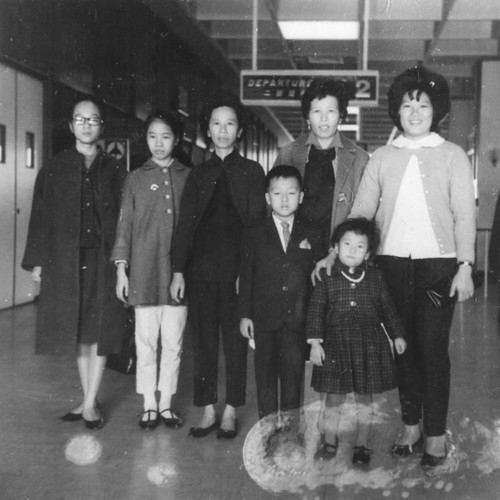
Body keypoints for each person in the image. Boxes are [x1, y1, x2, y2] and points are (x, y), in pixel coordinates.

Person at [348, 66, 476, 468]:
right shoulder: (382, 157)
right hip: (391, 267)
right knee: (403, 350)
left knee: (433, 351)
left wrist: (466, 265)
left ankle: (435, 434)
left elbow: (463, 216)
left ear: (435, 110)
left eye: (423, 104)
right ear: (397, 111)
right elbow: (363, 208)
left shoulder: (453, 156)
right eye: (407, 105)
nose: (416, 111)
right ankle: (411, 426)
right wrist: (344, 249)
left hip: (439, 267)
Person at [22, 98, 129, 429]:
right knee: (79, 331)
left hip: (104, 259)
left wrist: (124, 264)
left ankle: (88, 403)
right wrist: (38, 262)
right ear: (70, 126)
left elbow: (125, 220)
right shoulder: (53, 169)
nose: (86, 125)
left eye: (93, 120)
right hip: (65, 259)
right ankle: (88, 400)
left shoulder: (114, 170)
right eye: (80, 119)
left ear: (101, 127)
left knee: (99, 329)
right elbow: (40, 216)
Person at [170, 91, 266, 439]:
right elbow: (185, 226)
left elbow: (257, 228)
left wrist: (249, 274)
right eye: (216, 124)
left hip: (237, 274)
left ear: (240, 130)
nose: (223, 130)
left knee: (236, 343)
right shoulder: (198, 173)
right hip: (201, 272)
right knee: (204, 342)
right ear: (207, 130)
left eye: (230, 123)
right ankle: (208, 408)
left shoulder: (253, 172)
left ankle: (230, 410)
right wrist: (178, 270)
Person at [111, 110, 189, 430]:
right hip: (143, 271)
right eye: (152, 137)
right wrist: (121, 270)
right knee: (146, 341)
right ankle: (148, 404)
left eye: (166, 136)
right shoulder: (135, 177)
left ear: (177, 139)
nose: (158, 144)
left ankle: (167, 403)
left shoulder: (188, 175)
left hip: (177, 274)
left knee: (173, 340)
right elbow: (124, 226)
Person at [307, 218, 406, 466]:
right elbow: (316, 311)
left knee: (364, 399)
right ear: (335, 247)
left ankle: (362, 445)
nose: (352, 250)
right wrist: (315, 343)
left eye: (360, 246)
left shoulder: (375, 277)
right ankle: (329, 440)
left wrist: (397, 335)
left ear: (368, 252)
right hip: (335, 346)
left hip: (368, 346)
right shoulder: (326, 276)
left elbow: (388, 308)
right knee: (334, 399)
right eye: (347, 243)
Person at [238, 165, 324, 425]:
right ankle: (266, 432)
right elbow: (247, 276)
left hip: (297, 321)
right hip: (264, 320)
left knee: (293, 378)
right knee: (264, 379)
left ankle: (289, 433)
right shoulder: (254, 232)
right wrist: (245, 315)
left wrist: (315, 323)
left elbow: (317, 283)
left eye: (291, 193)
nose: (284, 200)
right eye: (277, 193)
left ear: (300, 196)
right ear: (267, 197)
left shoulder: (312, 232)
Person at [273, 77, 369, 244]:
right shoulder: (289, 154)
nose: (324, 118)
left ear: (340, 116)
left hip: (337, 251)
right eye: (317, 111)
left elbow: (365, 213)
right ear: (308, 117)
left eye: (331, 111)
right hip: (294, 250)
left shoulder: (360, 159)